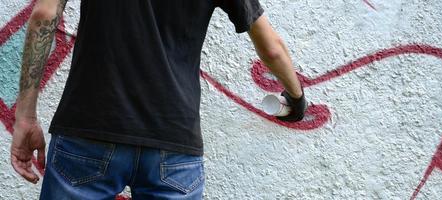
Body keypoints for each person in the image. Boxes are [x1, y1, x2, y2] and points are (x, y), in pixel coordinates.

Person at [10, 0, 306, 199]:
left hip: (89, 132)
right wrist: (296, 98)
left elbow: (44, 14)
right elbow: (272, 49)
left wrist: (24, 117)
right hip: (173, 145)